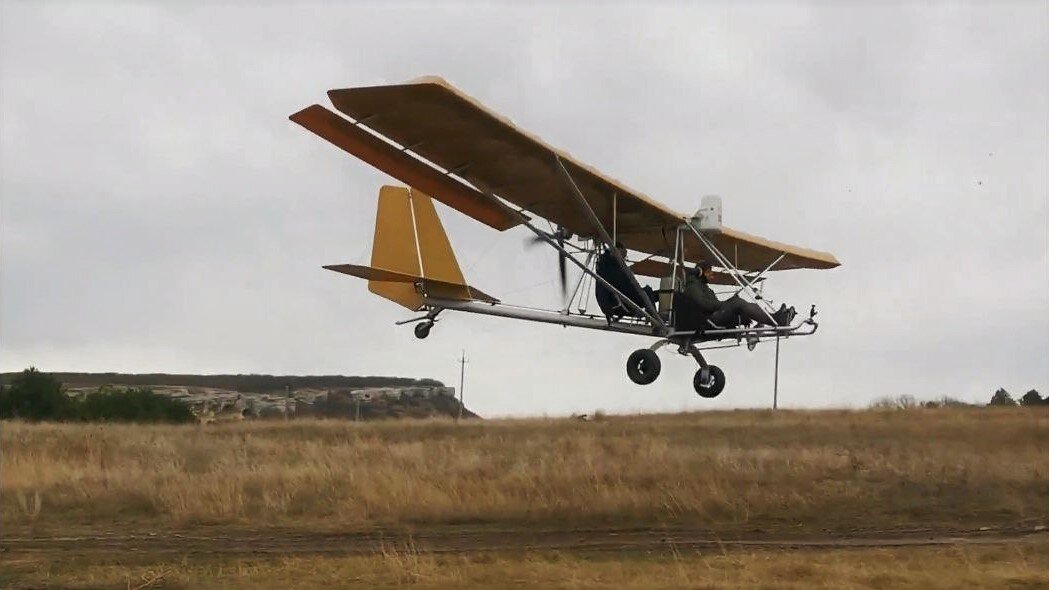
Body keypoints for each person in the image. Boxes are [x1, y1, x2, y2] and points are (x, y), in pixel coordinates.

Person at [682, 260, 795, 327]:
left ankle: (775, 317)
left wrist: (727, 304)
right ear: (700, 272)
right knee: (737, 302)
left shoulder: (704, 288)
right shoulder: (692, 287)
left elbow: (712, 305)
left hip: (710, 317)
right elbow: (705, 305)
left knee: (741, 303)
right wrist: (727, 304)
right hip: (706, 321)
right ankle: (777, 320)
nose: (711, 274)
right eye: (708, 271)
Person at [594, 242, 656, 322]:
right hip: (617, 304)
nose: (624, 257)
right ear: (617, 251)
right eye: (623, 253)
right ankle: (655, 321)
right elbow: (628, 288)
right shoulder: (613, 268)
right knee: (648, 291)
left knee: (652, 294)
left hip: (612, 303)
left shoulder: (604, 265)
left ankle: (653, 316)